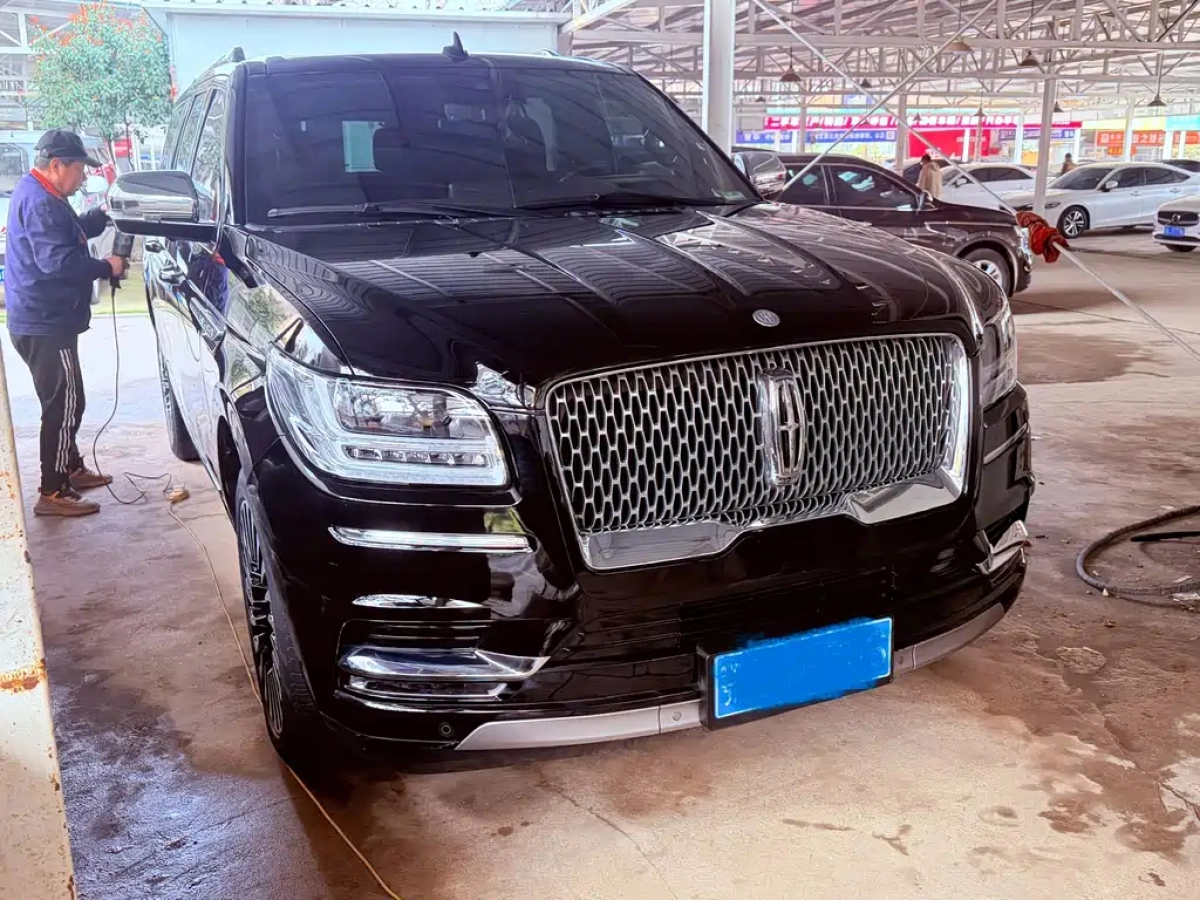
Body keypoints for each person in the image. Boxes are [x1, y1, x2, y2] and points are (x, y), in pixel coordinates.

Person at [5, 130, 125, 517]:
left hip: (43, 318)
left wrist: (102, 216)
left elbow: (68, 235)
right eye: (79, 168)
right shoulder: (41, 202)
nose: (83, 175)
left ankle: (69, 466)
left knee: (64, 399)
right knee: (65, 404)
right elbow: (59, 263)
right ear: (57, 165)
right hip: (45, 322)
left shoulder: (44, 194)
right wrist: (106, 266)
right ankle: (53, 490)